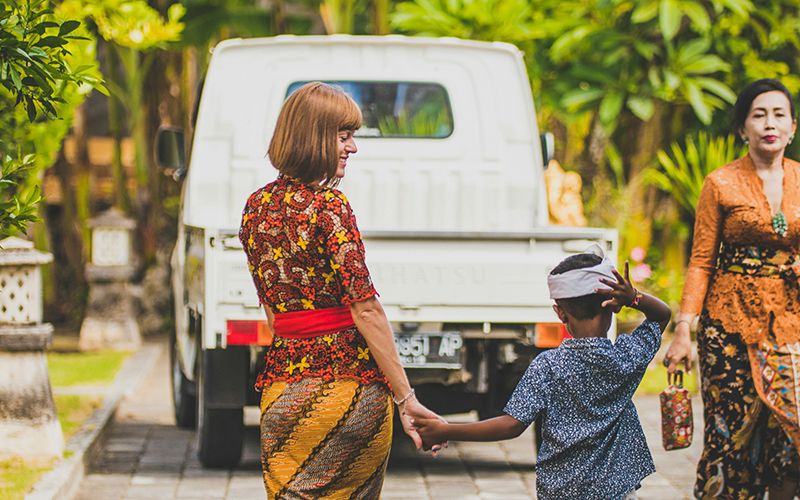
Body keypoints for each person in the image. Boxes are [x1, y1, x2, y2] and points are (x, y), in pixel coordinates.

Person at [239, 82, 442, 498]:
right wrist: (406, 399)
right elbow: (365, 309)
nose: (353, 147)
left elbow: (274, 315)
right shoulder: (330, 207)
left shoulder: (255, 207)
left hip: (282, 396)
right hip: (348, 394)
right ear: (313, 137)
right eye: (344, 136)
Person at [413, 252, 672, 499]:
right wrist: (634, 298)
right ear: (613, 308)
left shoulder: (547, 366)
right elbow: (662, 315)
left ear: (560, 313)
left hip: (560, 492)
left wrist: (446, 430)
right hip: (615, 491)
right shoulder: (626, 358)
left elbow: (511, 425)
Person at [664, 78, 800, 499]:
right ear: (743, 128)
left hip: (792, 325)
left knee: (791, 436)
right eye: (758, 115)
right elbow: (701, 262)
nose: (769, 124)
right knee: (731, 435)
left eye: (778, 115)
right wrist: (683, 330)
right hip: (728, 328)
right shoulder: (720, 183)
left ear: (792, 127)